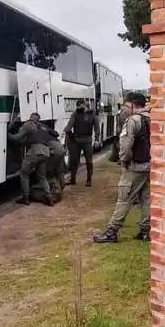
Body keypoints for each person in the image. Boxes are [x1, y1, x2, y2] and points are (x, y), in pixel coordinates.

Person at [93, 92, 151, 243]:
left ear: (132, 105)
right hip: (149, 165)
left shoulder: (133, 120)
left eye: (127, 105)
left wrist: (124, 161)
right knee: (146, 199)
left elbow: (125, 146)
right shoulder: (152, 118)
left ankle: (112, 232)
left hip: (135, 166)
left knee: (124, 198)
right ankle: (145, 231)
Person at [7, 112, 53, 206]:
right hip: (46, 152)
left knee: (24, 173)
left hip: (36, 151)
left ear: (31, 117)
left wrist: (6, 134)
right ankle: (49, 198)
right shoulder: (42, 126)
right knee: (41, 176)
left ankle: (26, 198)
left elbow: (17, 138)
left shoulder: (28, 125)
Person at [64, 99, 100, 187]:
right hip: (79, 140)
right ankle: (74, 179)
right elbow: (69, 127)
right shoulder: (76, 114)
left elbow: (96, 127)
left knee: (87, 161)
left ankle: (88, 180)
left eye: (81, 106)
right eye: (78, 107)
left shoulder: (91, 114)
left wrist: (97, 139)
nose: (79, 108)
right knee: (76, 161)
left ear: (84, 105)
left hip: (85, 140)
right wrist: (70, 135)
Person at [45, 128, 66, 203]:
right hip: (61, 149)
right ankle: (61, 188)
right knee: (60, 171)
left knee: (49, 171)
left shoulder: (43, 135)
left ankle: (54, 192)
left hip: (54, 151)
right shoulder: (53, 134)